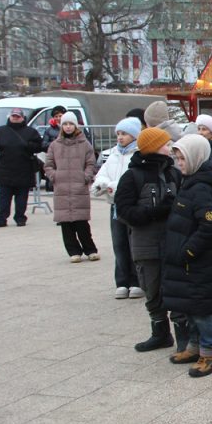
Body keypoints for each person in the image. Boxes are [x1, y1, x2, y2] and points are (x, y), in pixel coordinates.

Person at [114, 127, 187, 352]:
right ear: (154, 147)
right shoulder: (132, 176)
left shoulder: (173, 173)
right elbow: (124, 211)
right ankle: (160, 334)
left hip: (173, 242)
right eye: (166, 144)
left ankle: (184, 338)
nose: (170, 147)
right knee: (152, 289)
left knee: (176, 289)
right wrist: (154, 212)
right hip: (146, 244)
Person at [162, 134, 212, 377]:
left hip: (196, 261)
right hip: (187, 261)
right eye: (176, 157)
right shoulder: (189, 181)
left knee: (202, 309)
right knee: (191, 307)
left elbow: (209, 225)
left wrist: (188, 250)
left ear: (196, 157)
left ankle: (210, 353)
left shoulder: (200, 187)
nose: (179, 162)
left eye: (183, 158)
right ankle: (195, 346)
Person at [93, 117, 145, 298]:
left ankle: (137, 281)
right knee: (119, 244)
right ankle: (122, 281)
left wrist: (115, 186)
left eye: (125, 134)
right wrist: (102, 184)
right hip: (115, 205)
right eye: (119, 134)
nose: (120, 137)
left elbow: (132, 179)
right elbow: (102, 174)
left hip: (131, 206)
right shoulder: (113, 154)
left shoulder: (139, 154)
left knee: (134, 244)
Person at [44, 112, 99, 263]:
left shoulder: (84, 144)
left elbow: (91, 163)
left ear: (76, 125)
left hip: (79, 187)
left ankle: (90, 250)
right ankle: (73, 251)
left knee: (81, 222)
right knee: (66, 223)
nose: (68, 127)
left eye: (71, 124)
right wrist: (54, 176)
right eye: (65, 124)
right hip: (61, 188)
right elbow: (48, 165)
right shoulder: (55, 145)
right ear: (61, 126)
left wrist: (86, 176)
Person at [0, 108, 43, 228]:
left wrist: (28, 145)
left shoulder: (31, 132)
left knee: (21, 198)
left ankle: (20, 218)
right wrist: (0, 144)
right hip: (5, 171)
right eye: (13, 116)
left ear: (22, 118)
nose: (15, 118)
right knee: (3, 198)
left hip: (24, 170)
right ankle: (1, 219)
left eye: (18, 116)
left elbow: (39, 146)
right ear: (9, 117)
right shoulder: (0, 131)